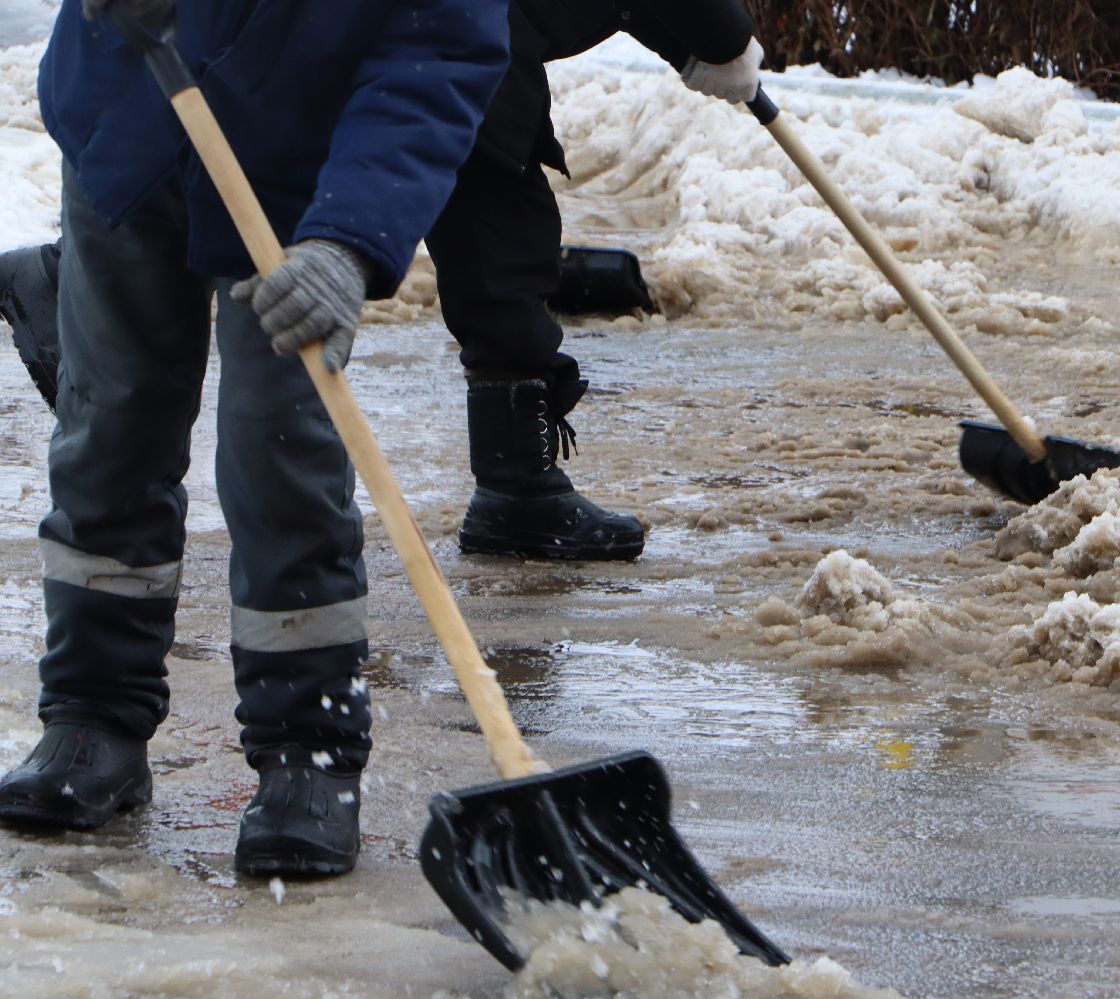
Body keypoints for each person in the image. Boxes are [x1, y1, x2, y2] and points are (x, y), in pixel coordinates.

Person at [0, 0, 509, 878]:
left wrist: (350, 241)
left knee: (281, 450)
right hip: (132, 107)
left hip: (300, 178)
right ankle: (91, 715)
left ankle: (307, 751)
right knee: (111, 425)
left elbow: (439, 56)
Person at [0, 0, 764, 563]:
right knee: (481, 191)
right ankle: (515, 486)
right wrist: (720, 39)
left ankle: (512, 485)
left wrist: (709, 42)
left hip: (426, 39)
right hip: (320, 59)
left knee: (477, 168)